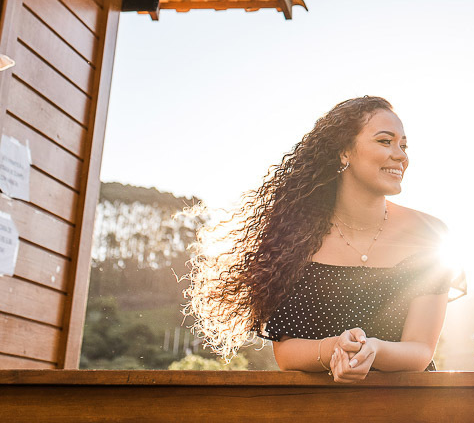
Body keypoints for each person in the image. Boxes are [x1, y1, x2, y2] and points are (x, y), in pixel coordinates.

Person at [186, 96, 453, 381]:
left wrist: (372, 350)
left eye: (403, 145)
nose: (401, 155)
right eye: (385, 141)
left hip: (410, 411)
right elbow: (286, 354)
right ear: (343, 152)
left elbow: (420, 349)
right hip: (318, 412)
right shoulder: (295, 237)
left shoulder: (429, 233)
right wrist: (333, 350)